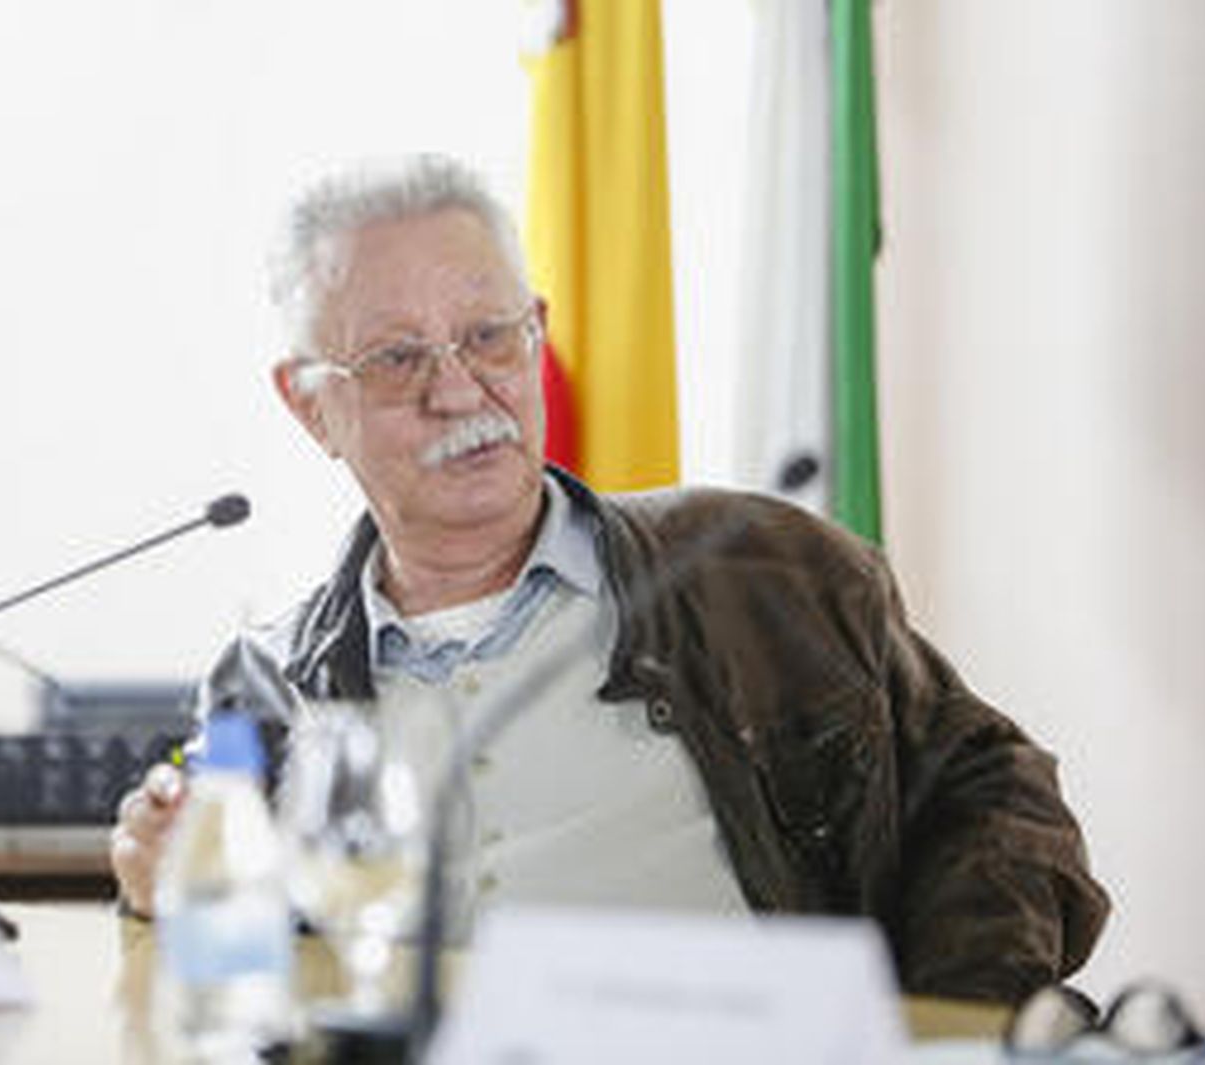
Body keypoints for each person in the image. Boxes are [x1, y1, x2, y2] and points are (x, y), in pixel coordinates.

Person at [112, 154, 1108, 1003]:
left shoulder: (757, 570)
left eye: (489, 336)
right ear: (307, 406)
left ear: (536, 331)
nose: (458, 388)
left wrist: (942, 1032)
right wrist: (161, 891)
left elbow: (996, 798)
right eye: (395, 357)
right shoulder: (268, 688)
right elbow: (228, 988)